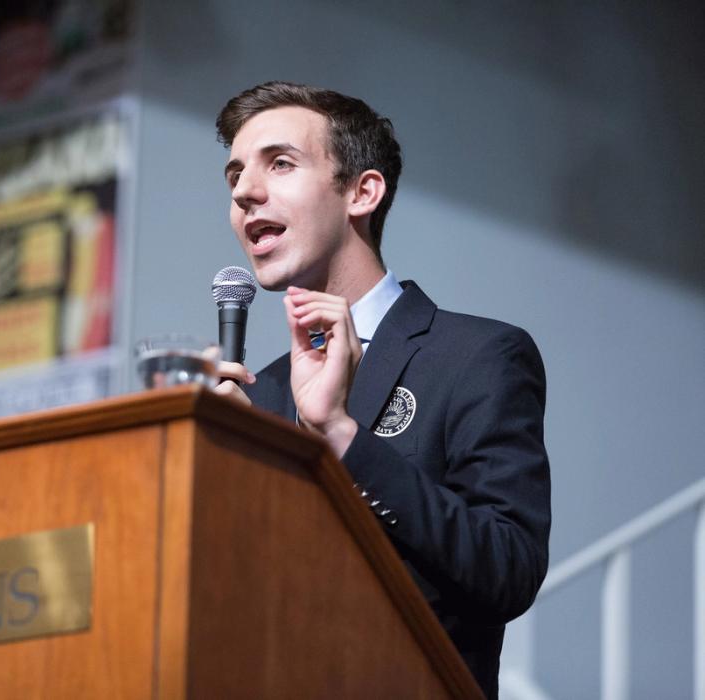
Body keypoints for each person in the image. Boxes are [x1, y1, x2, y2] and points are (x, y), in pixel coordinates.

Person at [212, 81, 550, 699]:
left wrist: (341, 435)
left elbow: (509, 568)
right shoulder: (254, 401)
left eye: (279, 164)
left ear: (362, 192)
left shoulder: (476, 356)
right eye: (234, 173)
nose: (242, 191)